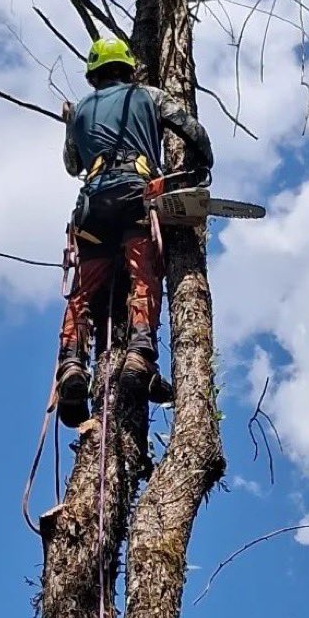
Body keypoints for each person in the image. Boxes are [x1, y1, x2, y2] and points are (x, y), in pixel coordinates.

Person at [57, 37, 213, 426]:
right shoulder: (150, 95)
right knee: (144, 275)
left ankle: (72, 364)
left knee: (84, 291)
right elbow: (190, 128)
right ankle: (140, 354)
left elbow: (71, 164)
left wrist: (71, 123)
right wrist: (202, 164)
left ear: (94, 75)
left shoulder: (78, 110)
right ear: (128, 68)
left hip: (92, 206)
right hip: (134, 195)